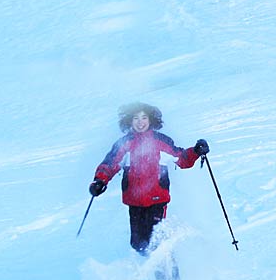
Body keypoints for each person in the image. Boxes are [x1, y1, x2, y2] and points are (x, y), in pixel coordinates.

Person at [89, 102, 209, 256]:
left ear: (151, 119)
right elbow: (110, 164)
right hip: (134, 200)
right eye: (136, 118)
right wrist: (100, 181)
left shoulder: (161, 141)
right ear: (129, 121)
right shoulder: (124, 144)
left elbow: (182, 159)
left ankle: (169, 276)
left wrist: (196, 151)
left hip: (157, 199)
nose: (140, 122)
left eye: (144, 118)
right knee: (138, 244)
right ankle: (150, 271)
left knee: (157, 242)